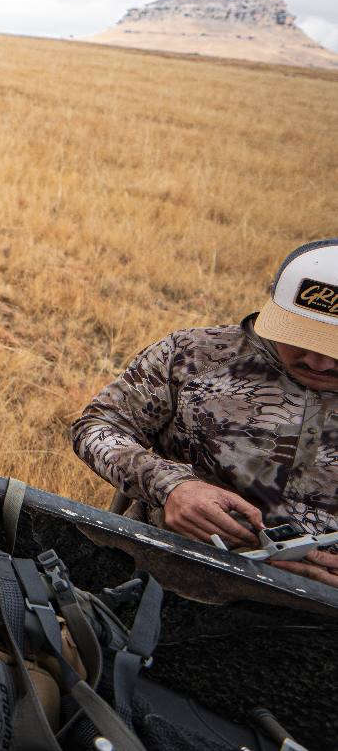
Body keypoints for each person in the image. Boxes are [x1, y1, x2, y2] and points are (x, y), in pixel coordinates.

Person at [73, 238, 338, 590]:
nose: (319, 362)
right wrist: (172, 487)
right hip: (165, 571)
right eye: (301, 338)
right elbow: (97, 426)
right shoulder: (195, 355)